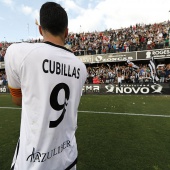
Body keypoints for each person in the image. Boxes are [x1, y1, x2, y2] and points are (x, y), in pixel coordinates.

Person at [5, 2, 87, 170]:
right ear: (66, 32)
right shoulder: (81, 68)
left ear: (40, 30)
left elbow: (17, 100)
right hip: (67, 159)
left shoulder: (17, 52)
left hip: (32, 162)